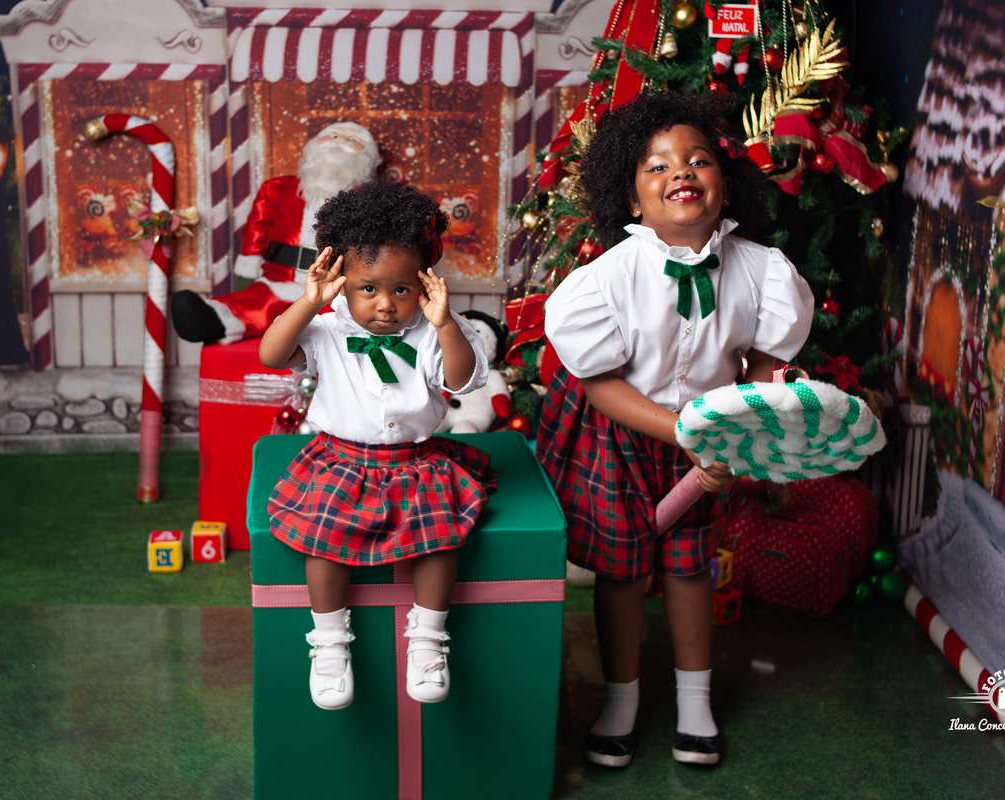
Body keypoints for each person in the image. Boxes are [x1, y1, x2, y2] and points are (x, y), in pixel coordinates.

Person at [538, 90, 814, 767]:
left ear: (726, 184)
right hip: (624, 435)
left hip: (710, 441)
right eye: (657, 166)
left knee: (691, 569)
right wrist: (684, 429)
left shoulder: (762, 271)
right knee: (622, 574)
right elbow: (600, 384)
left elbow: (763, 362)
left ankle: (696, 706)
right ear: (631, 200)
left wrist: (742, 422)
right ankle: (621, 701)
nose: (680, 172)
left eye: (698, 160)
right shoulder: (606, 280)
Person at [260, 180, 494, 710]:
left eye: (402, 289)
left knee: (439, 538)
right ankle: (329, 643)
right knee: (323, 539)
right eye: (368, 288)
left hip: (416, 462)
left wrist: (445, 324)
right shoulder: (326, 329)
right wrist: (308, 303)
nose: (385, 304)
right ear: (342, 282)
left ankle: (428, 638)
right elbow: (272, 355)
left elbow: (460, 381)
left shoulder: (434, 331)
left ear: (424, 284)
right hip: (341, 462)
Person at [172, 121, 382, 344]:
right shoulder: (277, 188)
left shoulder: (371, 202)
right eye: (333, 136)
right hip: (278, 281)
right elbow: (256, 234)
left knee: (338, 318)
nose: (340, 142)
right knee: (254, 304)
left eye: (354, 140)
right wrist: (244, 282)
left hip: (334, 288)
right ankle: (215, 316)